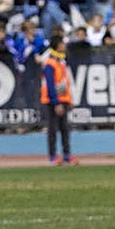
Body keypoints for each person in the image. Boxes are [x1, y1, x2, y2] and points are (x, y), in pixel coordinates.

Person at [40, 33, 76, 166]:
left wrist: (69, 100)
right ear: (57, 46)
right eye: (62, 44)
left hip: (63, 100)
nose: (64, 46)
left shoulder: (61, 61)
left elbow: (65, 83)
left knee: (65, 129)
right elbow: (50, 85)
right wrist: (56, 102)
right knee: (53, 130)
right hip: (52, 102)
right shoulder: (50, 63)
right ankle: (53, 156)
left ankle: (67, 155)